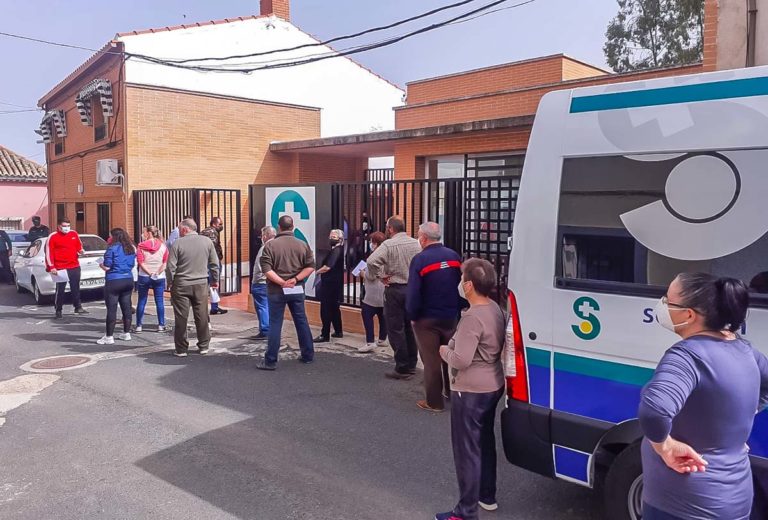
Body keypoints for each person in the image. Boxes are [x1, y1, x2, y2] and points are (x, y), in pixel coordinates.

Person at [638, 273, 768, 520]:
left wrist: (664, 446)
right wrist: (742, 412)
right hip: (735, 500)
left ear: (688, 315)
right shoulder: (744, 348)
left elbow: (654, 410)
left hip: (681, 506)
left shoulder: (687, 356)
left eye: (668, 300)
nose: (662, 305)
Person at [435, 258, 506, 520]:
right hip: (493, 384)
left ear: (468, 285)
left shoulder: (472, 317)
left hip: (471, 389)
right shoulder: (495, 309)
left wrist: (444, 351)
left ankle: (465, 511)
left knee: (467, 449)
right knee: (484, 441)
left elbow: (461, 359)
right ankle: (487, 495)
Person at [408, 222, 463, 412]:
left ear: (423, 238)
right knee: (450, 356)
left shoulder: (420, 259)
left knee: (431, 360)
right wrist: (459, 308)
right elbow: (461, 285)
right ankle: (452, 392)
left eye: (418, 235)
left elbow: (414, 292)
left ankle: (434, 401)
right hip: (450, 316)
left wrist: (412, 315)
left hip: (426, 319)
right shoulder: (454, 256)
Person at [256, 215, 315, 370]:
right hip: (296, 289)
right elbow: (310, 267)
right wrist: (295, 280)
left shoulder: (270, 246)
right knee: (301, 320)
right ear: (292, 227)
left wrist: (282, 282)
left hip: (276, 290)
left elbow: (266, 270)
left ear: (279, 227)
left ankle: (270, 360)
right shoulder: (302, 245)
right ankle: (308, 354)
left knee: (275, 323)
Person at [366, 216, 422, 380]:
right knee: (410, 327)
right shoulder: (416, 243)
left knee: (396, 328)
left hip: (395, 289)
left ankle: (402, 367)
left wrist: (380, 276)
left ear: (390, 229)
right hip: (412, 288)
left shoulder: (388, 244)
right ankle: (412, 364)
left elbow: (371, 261)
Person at [166, 218, 219, 357]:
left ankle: (181, 349)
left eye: (179, 229)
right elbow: (214, 263)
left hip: (181, 284)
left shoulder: (177, 243)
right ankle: (203, 345)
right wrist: (215, 280)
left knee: (181, 317)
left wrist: (170, 282)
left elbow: (171, 266)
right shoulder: (207, 242)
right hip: (201, 283)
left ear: (184, 229)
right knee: (201, 315)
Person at [97, 228, 136, 345]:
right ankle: (126, 333)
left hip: (114, 280)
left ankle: (109, 336)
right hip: (128, 279)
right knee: (126, 307)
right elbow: (132, 264)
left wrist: (100, 264)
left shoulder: (111, 249)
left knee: (112, 309)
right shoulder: (130, 248)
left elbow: (107, 267)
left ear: (114, 237)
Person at [45, 217, 88, 319]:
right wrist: (51, 267)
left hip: (74, 265)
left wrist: (81, 251)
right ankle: (58, 310)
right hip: (60, 268)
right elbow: (48, 253)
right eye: (64, 226)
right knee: (60, 290)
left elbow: (79, 246)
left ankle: (77, 306)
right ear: (59, 226)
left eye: (68, 226)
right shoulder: (53, 237)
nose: (66, 228)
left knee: (75, 287)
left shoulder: (74, 234)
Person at [314, 229, 345, 343]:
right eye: (330, 236)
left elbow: (328, 267)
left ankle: (324, 334)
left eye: (334, 236)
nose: (331, 238)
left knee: (326, 309)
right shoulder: (338, 250)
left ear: (340, 239)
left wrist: (316, 272)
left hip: (330, 284)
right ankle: (338, 330)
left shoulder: (336, 251)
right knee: (334, 308)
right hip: (335, 284)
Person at [358, 231, 387, 353]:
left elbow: (370, 276)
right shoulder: (387, 254)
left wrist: (362, 273)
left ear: (375, 243)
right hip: (384, 290)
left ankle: (370, 341)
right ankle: (382, 338)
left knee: (367, 314)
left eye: (371, 242)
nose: (370, 244)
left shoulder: (374, 257)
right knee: (382, 315)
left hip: (373, 291)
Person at [135, 225, 169, 333]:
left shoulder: (141, 246)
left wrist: (149, 273)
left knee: (142, 300)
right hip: (159, 277)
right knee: (159, 300)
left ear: (149, 233)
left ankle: (139, 325)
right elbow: (164, 263)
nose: (142, 234)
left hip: (144, 276)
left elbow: (140, 262)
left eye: (144, 232)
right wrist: (157, 272)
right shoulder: (163, 246)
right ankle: (161, 325)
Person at [250, 225, 276, 340]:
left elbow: (262, 267)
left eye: (262, 235)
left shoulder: (265, 247)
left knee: (262, 307)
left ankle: (265, 330)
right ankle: (269, 329)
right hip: (270, 282)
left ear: (265, 236)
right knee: (268, 306)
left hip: (261, 283)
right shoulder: (276, 246)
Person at [202, 216, 227, 315]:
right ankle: (214, 307)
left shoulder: (205, 232)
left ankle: (212, 306)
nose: (221, 226)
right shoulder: (212, 233)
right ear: (214, 224)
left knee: (207, 285)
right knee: (214, 284)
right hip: (211, 263)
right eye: (220, 224)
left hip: (205, 262)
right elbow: (211, 248)